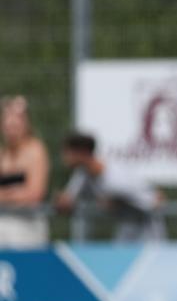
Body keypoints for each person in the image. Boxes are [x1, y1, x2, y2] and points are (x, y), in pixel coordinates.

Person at [56, 132, 166, 242]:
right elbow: (67, 200)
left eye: (67, 152)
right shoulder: (82, 174)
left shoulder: (115, 179)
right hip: (126, 232)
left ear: (82, 153)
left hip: (148, 236)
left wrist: (118, 202)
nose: (64, 157)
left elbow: (155, 201)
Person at [0, 96, 50, 248]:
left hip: (27, 226)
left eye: (17, 121)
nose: (11, 126)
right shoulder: (3, 154)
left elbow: (35, 194)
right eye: (7, 121)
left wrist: (6, 196)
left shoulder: (35, 150)